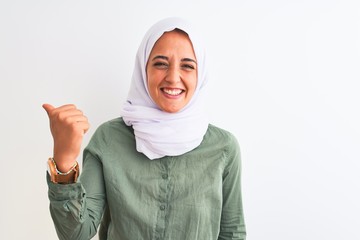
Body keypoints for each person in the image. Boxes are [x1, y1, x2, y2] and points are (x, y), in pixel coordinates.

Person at [43, 17, 246, 240]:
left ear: (201, 74)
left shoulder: (224, 147)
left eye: (187, 66)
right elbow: (76, 234)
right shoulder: (108, 140)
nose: (173, 77)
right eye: (160, 63)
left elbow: (232, 234)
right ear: (143, 68)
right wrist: (64, 162)